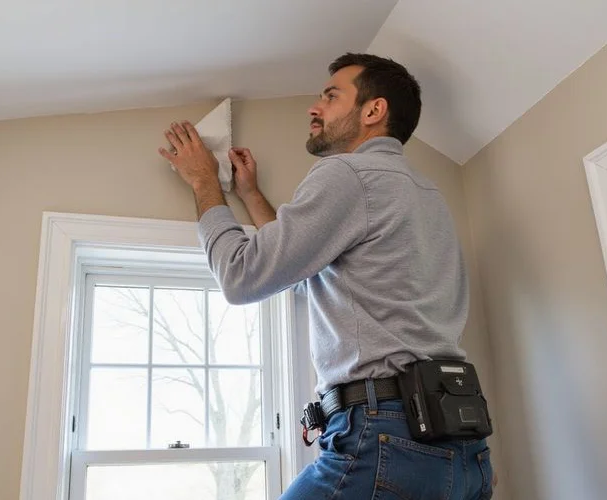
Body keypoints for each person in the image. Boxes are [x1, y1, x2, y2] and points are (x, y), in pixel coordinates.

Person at [158, 53, 495, 499]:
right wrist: (252, 195)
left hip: (387, 438)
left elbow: (242, 276)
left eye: (331, 97)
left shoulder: (348, 173)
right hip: (462, 447)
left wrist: (204, 181)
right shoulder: (426, 193)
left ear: (374, 111)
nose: (314, 108)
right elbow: (305, 268)